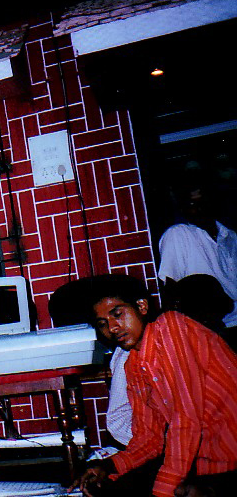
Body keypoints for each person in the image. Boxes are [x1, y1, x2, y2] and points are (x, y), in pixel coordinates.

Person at [70, 275, 237, 497]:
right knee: (108, 488)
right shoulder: (133, 365)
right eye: (102, 324)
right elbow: (149, 439)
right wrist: (109, 467)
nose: (112, 327)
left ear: (142, 306)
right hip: (209, 462)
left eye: (117, 314)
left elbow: (186, 419)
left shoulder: (171, 328)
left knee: (181, 491)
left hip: (231, 454)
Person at [158, 177, 237, 330]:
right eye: (192, 204)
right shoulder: (178, 234)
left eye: (204, 202)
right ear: (182, 209)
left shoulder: (231, 236)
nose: (200, 209)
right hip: (214, 329)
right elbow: (170, 289)